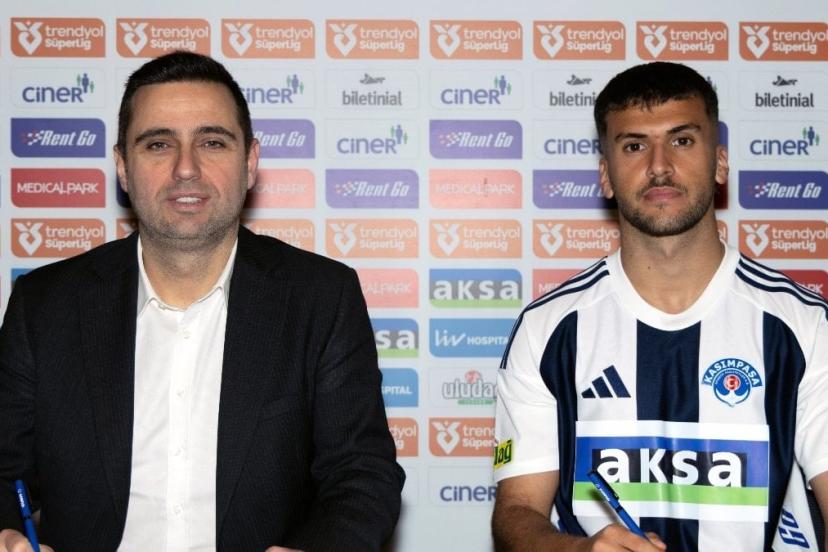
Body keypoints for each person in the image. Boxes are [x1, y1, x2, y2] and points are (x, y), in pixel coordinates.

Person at [0, 51, 404, 552]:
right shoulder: (44, 305)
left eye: (212, 142)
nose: (186, 168)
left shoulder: (321, 298)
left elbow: (362, 476)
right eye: (158, 144)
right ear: (123, 167)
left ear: (250, 162)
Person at [491, 61, 828, 551]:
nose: (659, 166)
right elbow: (517, 512)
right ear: (606, 176)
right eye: (634, 146)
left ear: (720, 163)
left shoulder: (805, 324)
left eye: (682, 140)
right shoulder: (548, 329)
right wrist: (580, 550)